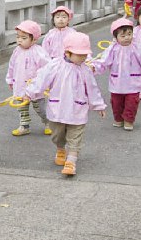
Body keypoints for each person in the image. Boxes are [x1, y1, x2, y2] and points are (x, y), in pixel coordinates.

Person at [25, 32, 106, 176]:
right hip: (58, 109)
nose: (83, 58)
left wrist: (98, 105)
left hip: (77, 110)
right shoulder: (54, 65)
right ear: (67, 52)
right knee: (57, 135)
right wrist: (29, 93)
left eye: (85, 55)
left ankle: (71, 161)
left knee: (75, 136)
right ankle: (60, 148)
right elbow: (41, 80)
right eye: (79, 54)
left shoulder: (85, 70)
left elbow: (92, 89)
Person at [91, 18, 141, 131]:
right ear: (116, 37)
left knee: (132, 103)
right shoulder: (113, 49)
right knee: (116, 103)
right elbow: (104, 61)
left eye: (129, 34)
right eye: (123, 35)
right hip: (117, 83)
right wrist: (94, 67)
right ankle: (118, 118)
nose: (127, 38)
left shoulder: (136, 47)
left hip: (133, 82)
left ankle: (129, 120)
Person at [6, 20, 51, 136]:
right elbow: (11, 66)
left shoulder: (39, 52)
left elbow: (47, 68)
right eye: (18, 37)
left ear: (34, 39)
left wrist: (47, 84)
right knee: (22, 108)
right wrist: (10, 79)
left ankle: (48, 122)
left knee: (40, 108)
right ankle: (24, 126)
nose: (19, 40)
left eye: (24, 38)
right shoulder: (16, 51)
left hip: (35, 87)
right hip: (20, 85)